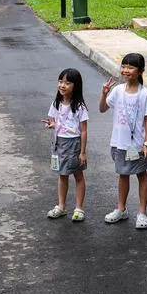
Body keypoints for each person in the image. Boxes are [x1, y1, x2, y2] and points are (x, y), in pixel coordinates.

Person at [98, 52, 147, 230]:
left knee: (141, 174)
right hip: (119, 142)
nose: (125, 70)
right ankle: (121, 208)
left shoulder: (145, 94)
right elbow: (102, 109)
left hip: (137, 145)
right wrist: (104, 93)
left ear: (140, 71)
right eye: (124, 66)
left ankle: (142, 213)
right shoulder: (117, 91)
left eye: (130, 67)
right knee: (122, 174)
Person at [42, 68, 89, 222]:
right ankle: (61, 206)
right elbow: (56, 122)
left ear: (76, 86)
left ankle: (79, 208)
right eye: (61, 81)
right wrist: (52, 125)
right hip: (58, 143)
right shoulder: (57, 103)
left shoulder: (80, 107)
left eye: (67, 83)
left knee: (78, 175)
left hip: (73, 143)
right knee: (62, 174)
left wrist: (82, 152)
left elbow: (83, 131)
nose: (62, 85)